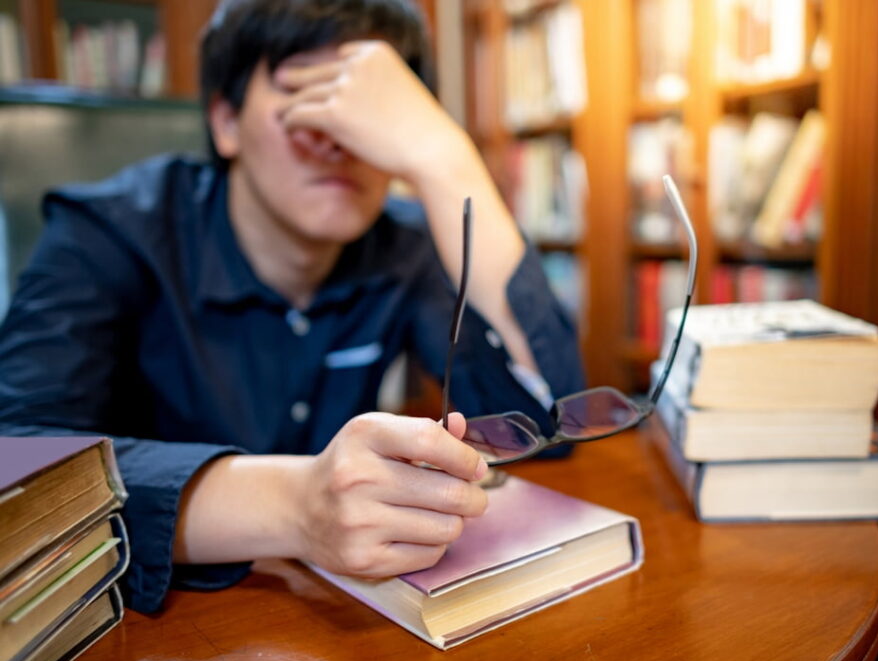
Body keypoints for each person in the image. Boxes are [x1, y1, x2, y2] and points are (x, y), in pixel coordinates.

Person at [0, 0, 584, 614]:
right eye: (314, 97)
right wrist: (294, 506)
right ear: (226, 121)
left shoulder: (404, 242)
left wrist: (445, 156)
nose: (339, 138)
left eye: (370, 107)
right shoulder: (109, 231)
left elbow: (546, 423)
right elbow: (18, 457)